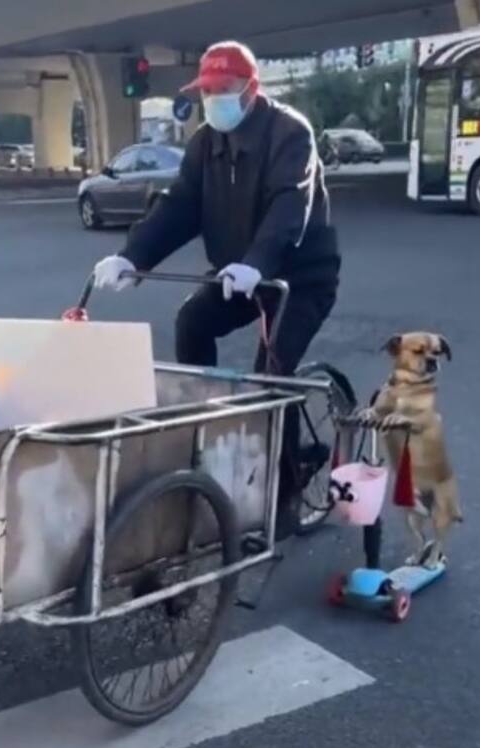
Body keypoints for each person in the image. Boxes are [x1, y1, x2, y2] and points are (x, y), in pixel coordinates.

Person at [92, 40, 340, 533]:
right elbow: (180, 205)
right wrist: (132, 256)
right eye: (206, 91)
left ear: (251, 89)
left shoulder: (290, 133)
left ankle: (287, 493)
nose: (213, 99)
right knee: (192, 320)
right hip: (237, 277)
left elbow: (289, 205)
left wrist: (257, 262)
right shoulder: (206, 142)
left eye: (223, 89)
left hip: (297, 279)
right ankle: (204, 432)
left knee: (271, 375)